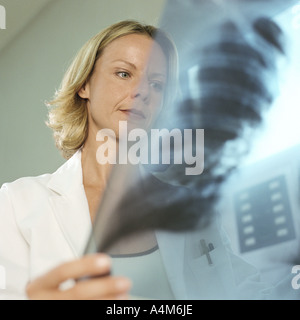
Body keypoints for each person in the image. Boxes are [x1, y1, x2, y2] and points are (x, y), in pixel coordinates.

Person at [0, 19, 272, 300]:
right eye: (123, 73)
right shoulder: (16, 203)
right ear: (85, 86)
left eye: (156, 84)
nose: (141, 91)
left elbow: (247, 290)